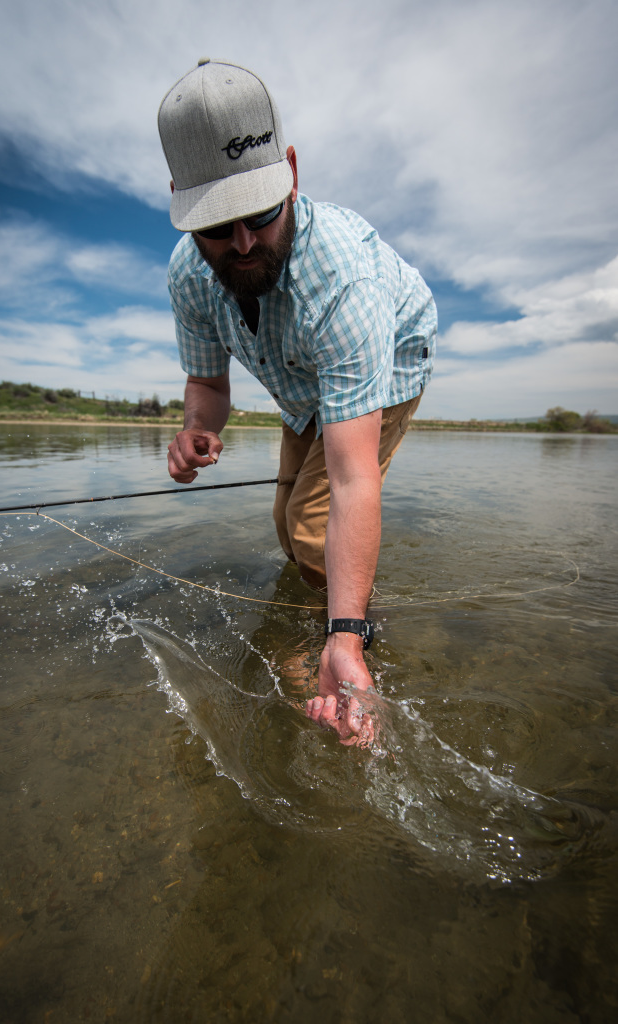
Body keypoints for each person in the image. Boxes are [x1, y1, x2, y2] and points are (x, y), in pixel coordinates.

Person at [158, 58, 437, 746]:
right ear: (180, 203)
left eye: (260, 213)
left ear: (290, 169)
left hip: (390, 362)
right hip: (296, 381)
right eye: (217, 227)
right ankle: (326, 610)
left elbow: (351, 477)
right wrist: (196, 427)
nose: (244, 243)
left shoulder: (343, 280)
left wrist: (343, 635)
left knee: (311, 519)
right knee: (286, 522)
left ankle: (353, 641)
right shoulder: (188, 278)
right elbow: (210, 386)